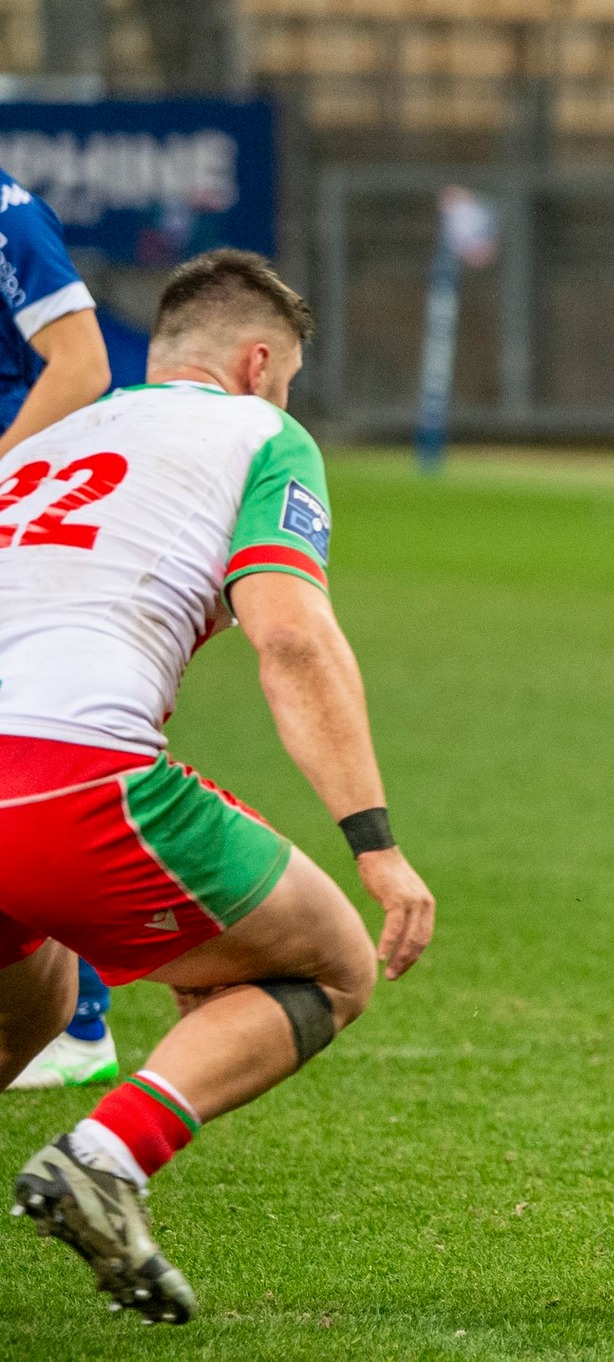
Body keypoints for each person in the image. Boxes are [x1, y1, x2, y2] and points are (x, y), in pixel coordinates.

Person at [0, 249, 436, 1323]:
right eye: (284, 381)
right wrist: (374, 843)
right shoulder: (259, 434)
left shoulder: (41, 442)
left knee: (37, 995)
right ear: (256, 364)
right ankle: (105, 1159)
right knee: (327, 964)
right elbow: (290, 637)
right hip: (65, 775)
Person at [0, 161, 123, 1092]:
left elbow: (82, 366)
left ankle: (81, 1021)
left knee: (38, 753)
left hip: (25, 525)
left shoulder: (6, 213)